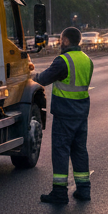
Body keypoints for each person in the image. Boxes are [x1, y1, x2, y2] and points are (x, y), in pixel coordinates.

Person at [33, 26, 94, 204]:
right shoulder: (87, 60)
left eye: (61, 39)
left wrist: (29, 77)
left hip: (65, 114)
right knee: (79, 151)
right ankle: (84, 190)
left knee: (61, 152)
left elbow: (43, 79)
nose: (60, 42)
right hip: (81, 113)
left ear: (66, 40)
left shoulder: (63, 61)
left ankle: (60, 193)